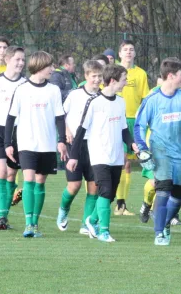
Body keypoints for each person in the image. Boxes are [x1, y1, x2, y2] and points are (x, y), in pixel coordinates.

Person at [135, 57, 181, 245]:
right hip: (160, 151)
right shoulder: (152, 99)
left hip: (180, 152)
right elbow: (139, 126)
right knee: (163, 189)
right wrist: (143, 150)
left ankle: (165, 222)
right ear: (170, 76)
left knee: (178, 195)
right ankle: (159, 233)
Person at [68, 64, 137, 243]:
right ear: (113, 80)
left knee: (110, 194)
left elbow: (124, 130)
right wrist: (73, 155)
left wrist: (132, 144)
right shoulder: (94, 102)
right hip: (99, 155)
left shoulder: (121, 102)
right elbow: (81, 130)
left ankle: (91, 220)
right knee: (105, 191)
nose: (126, 82)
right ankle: (104, 231)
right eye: (124, 79)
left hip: (115, 156)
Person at [4, 51, 68, 238]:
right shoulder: (22, 89)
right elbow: (11, 118)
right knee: (29, 180)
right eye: (49, 66)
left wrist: (61, 141)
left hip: (47, 145)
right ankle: (28, 225)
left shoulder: (53, 90)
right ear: (40, 66)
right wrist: (8, 143)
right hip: (26, 144)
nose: (52, 69)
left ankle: (35, 223)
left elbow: (59, 117)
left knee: (40, 182)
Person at [56, 60, 104, 235]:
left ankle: (86, 223)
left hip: (95, 145)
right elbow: (61, 115)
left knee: (94, 187)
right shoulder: (75, 95)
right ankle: (63, 209)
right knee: (74, 185)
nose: (97, 80)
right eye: (94, 76)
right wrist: (67, 131)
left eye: (100, 76)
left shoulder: (103, 97)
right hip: (74, 144)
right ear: (86, 76)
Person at [138, 77, 181, 227]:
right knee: (155, 182)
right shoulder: (153, 95)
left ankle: (169, 217)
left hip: (177, 147)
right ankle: (147, 204)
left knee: (175, 184)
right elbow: (143, 122)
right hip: (157, 147)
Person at [115, 39, 149, 215]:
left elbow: (145, 98)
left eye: (131, 49)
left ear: (135, 54)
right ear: (119, 53)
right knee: (120, 161)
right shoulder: (113, 71)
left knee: (128, 163)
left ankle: (122, 204)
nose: (128, 52)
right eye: (125, 49)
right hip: (116, 119)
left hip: (133, 121)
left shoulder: (140, 74)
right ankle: (114, 200)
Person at [0, 46, 26, 230]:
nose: (21, 63)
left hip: (18, 131)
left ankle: (3, 217)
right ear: (7, 59)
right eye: (17, 59)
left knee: (11, 174)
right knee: (1, 172)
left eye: (23, 60)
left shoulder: (25, 84)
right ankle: (0, 216)